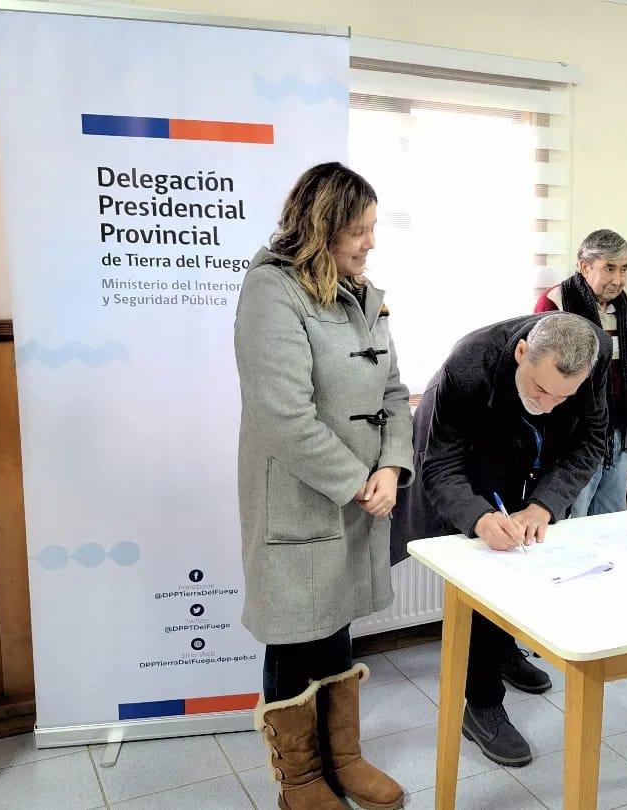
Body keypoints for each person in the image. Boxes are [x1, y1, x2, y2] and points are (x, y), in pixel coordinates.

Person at [234, 162, 411, 810]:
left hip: (362, 493)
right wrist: (359, 481)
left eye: (372, 229)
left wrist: (390, 466)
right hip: (301, 496)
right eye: (359, 229)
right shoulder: (270, 291)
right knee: (295, 633)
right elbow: (282, 415)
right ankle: (301, 780)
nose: (370, 242)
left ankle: (344, 759)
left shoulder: (362, 292)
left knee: (335, 626)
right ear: (324, 225)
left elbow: (394, 390)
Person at [393, 312, 608, 767]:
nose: (549, 404)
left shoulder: (595, 356)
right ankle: (482, 705)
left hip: (530, 453)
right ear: (522, 353)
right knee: (485, 573)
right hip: (470, 453)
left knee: (523, 554)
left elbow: (590, 442)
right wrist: (479, 517)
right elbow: (440, 465)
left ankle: (505, 651)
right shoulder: (467, 367)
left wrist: (544, 504)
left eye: (563, 395)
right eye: (541, 389)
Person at [535, 228, 627, 517]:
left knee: (612, 508)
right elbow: (542, 369)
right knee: (576, 509)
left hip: (621, 427)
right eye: (609, 268)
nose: (618, 279)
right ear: (584, 266)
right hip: (576, 428)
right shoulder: (556, 301)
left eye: (623, 269)